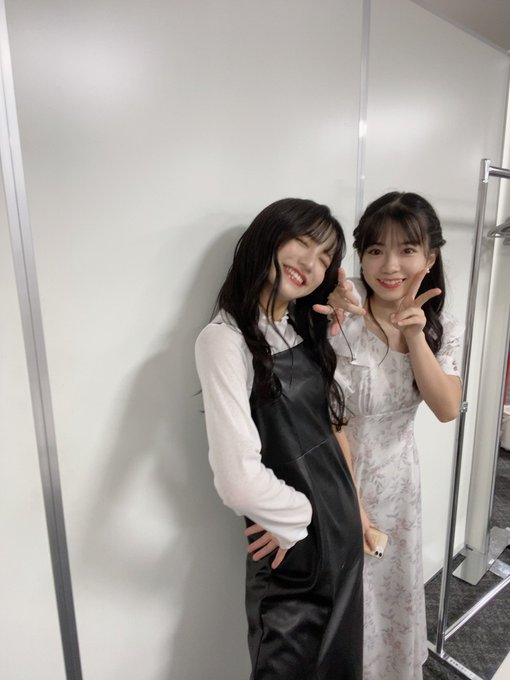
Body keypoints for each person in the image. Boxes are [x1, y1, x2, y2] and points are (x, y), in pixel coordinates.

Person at [195, 198, 363, 680]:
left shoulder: (298, 330)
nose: (311, 263)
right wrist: (297, 517)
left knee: (338, 666)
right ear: (268, 236)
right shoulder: (224, 340)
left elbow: (335, 423)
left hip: (341, 534)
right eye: (303, 242)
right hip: (296, 546)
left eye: (326, 257)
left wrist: (340, 329)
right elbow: (237, 480)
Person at [316, 191, 462, 680]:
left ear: (430, 258)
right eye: (376, 249)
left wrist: (415, 334)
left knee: (390, 598)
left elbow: (446, 408)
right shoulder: (341, 309)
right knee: (344, 604)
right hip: (337, 478)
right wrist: (352, 505)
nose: (390, 265)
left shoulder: (441, 324)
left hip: (399, 485)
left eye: (407, 250)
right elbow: (330, 418)